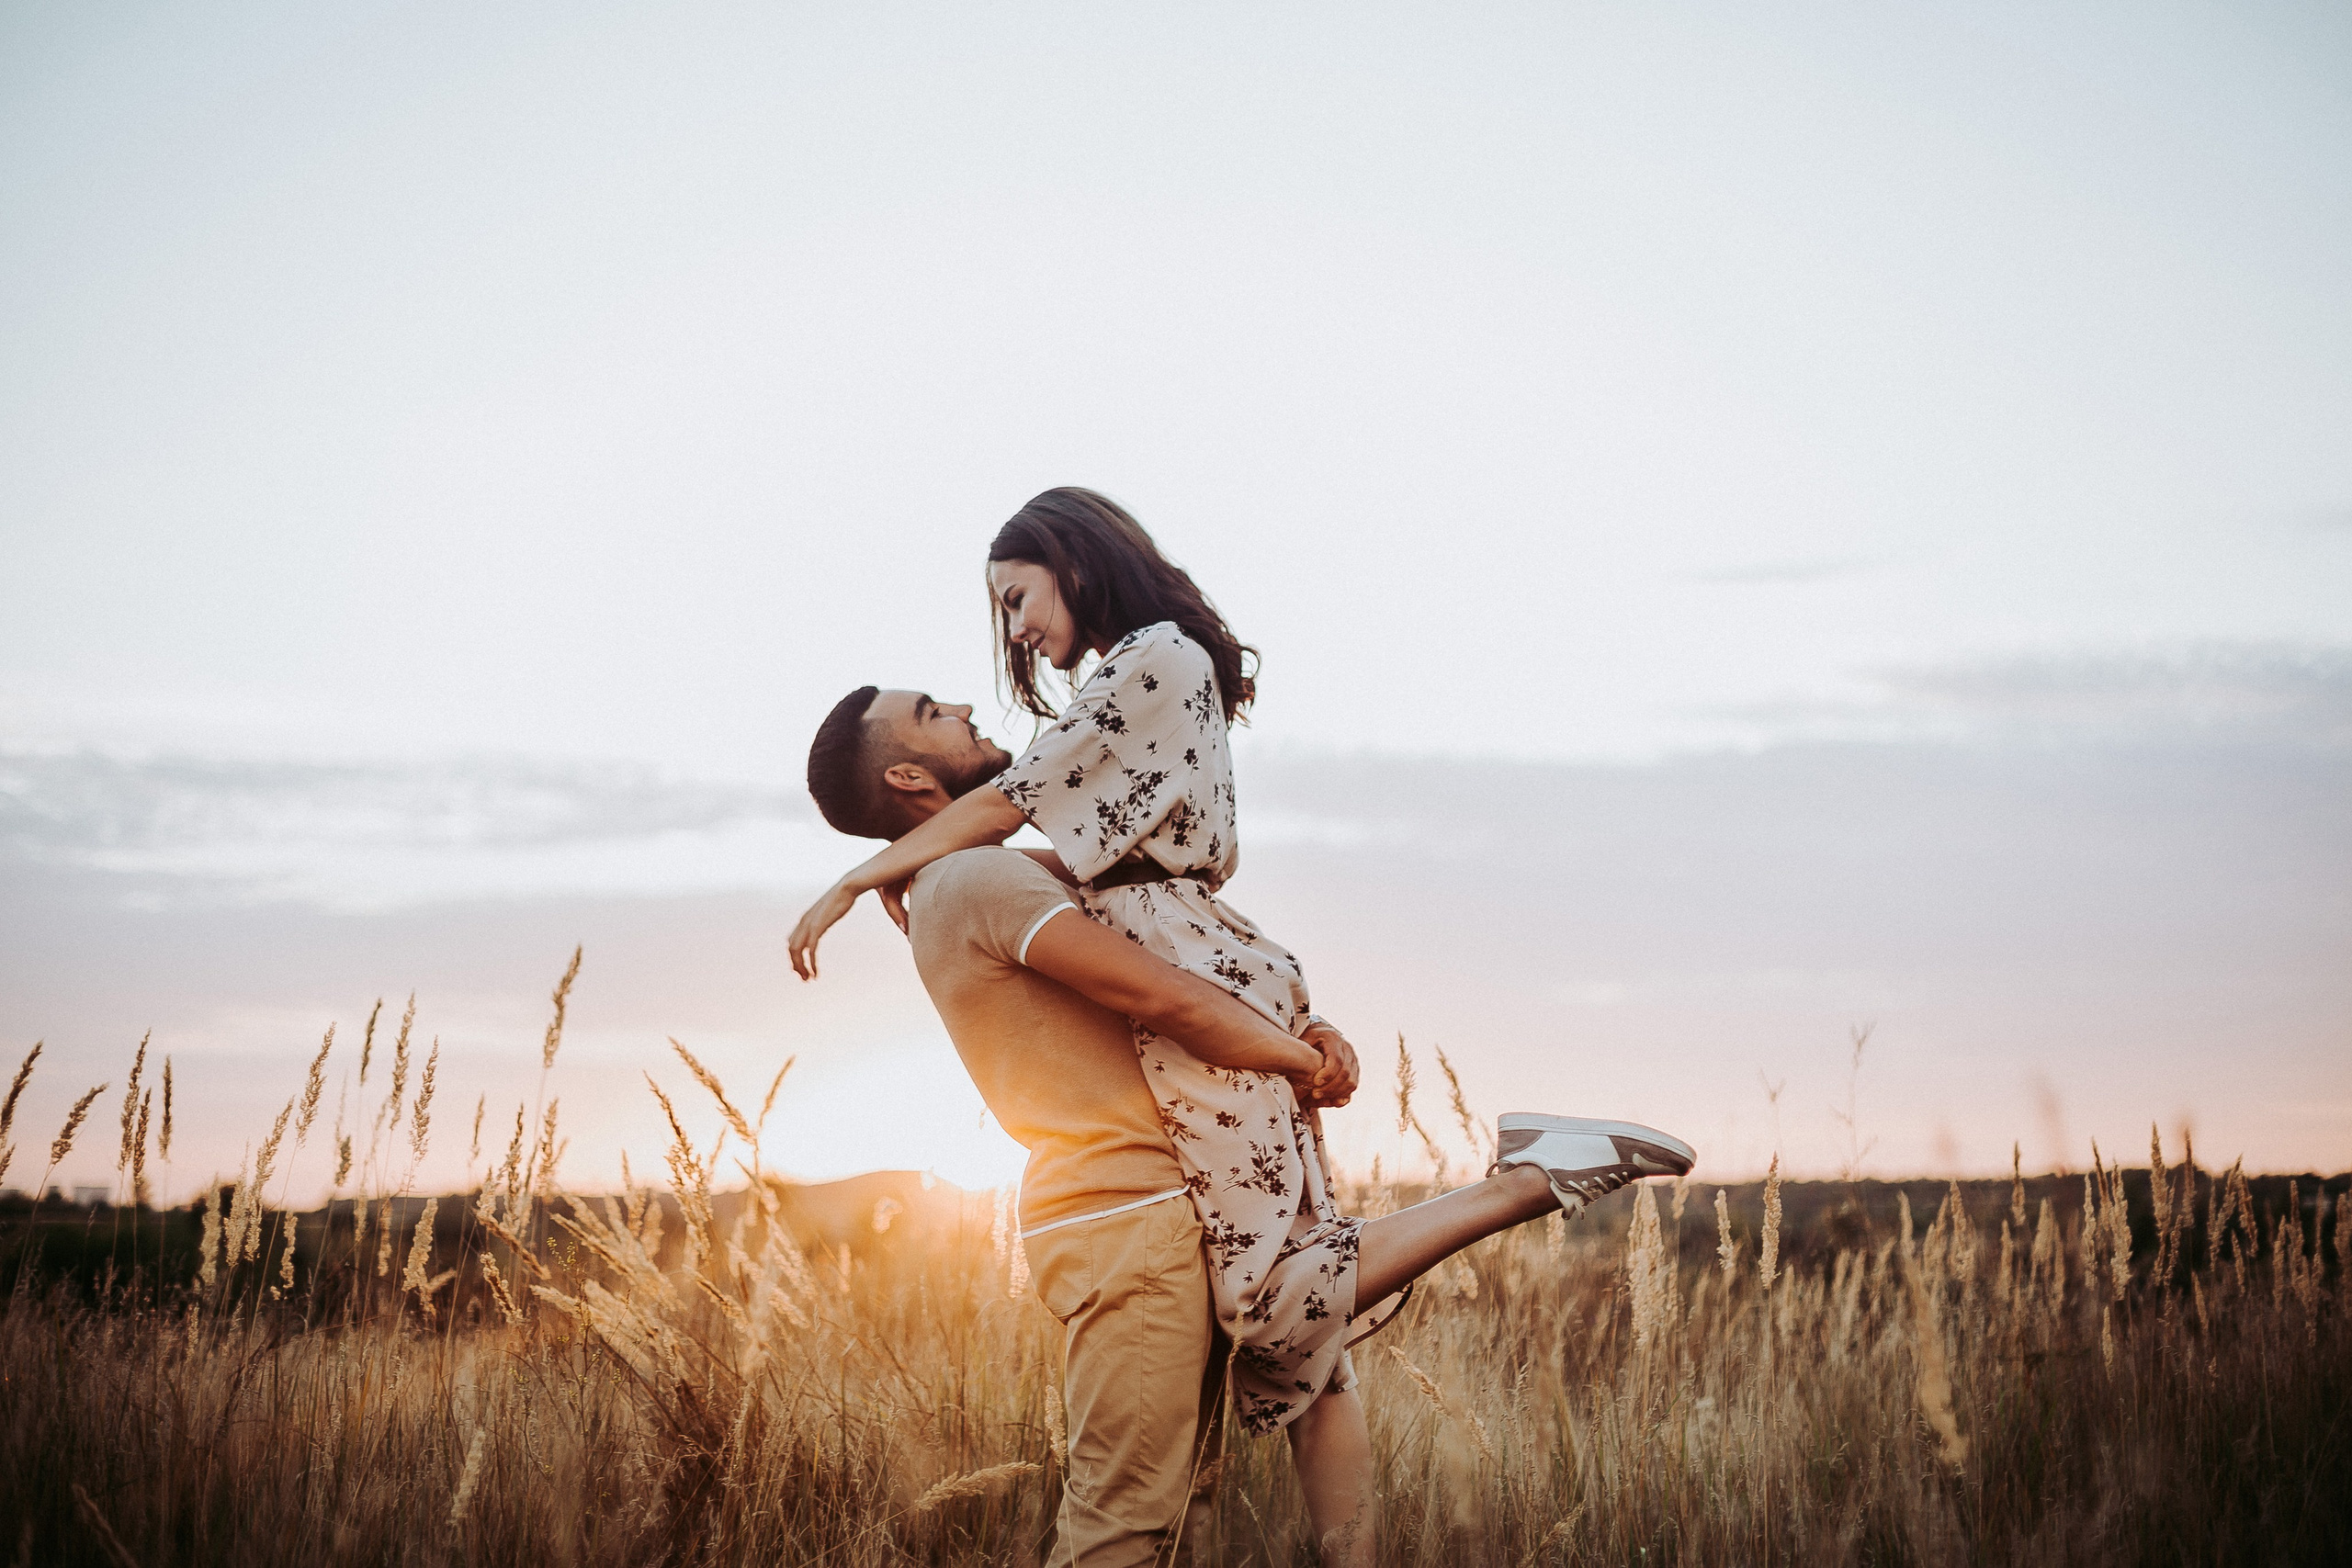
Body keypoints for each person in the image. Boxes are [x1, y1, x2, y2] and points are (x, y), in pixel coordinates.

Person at [793, 493, 1694, 1562]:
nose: (1007, 644)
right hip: (1187, 1001)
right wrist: (1286, 1028)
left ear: (1075, 565)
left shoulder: (1139, 675)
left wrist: (866, 872)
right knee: (1298, 1335)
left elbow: (1069, 871)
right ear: (905, 776)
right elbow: (1066, 882)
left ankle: (1527, 1178)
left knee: (1276, 1312)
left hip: (1179, 1018)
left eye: (1018, 598)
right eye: (940, 711)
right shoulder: (988, 868)